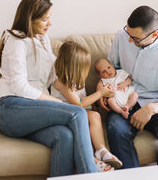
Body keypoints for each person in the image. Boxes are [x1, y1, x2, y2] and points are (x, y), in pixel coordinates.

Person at [0, 0, 97, 177]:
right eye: (44, 19)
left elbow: (51, 78)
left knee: (64, 137)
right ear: (29, 19)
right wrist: (57, 103)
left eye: (50, 18)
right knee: (78, 112)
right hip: (10, 107)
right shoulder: (15, 41)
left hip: (33, 112)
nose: (49, 24)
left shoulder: (44, 40)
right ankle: (91, 179)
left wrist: (70, 86)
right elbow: (18, 86)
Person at [98, 6, 158, 169]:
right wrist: (103, 93)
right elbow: (113, 69)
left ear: (154, 34)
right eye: (128, 33)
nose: (129, 40)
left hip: (156, 103)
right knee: (116, 130)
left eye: (135, 38)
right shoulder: (122, 36)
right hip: (123, 100)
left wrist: (151, 109)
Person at [51, 41, 123, 170]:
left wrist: (95, 104)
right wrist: (101, 93)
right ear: (74, 67)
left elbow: (84, 101)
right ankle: (93, 160)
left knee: (94, 116)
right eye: (84, 67)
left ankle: (101, 150)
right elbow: (78, 103)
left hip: (79, 114)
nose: (86, 70)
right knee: (84, 124)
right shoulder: (62, 82)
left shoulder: (78, 81)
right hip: (64, 117)